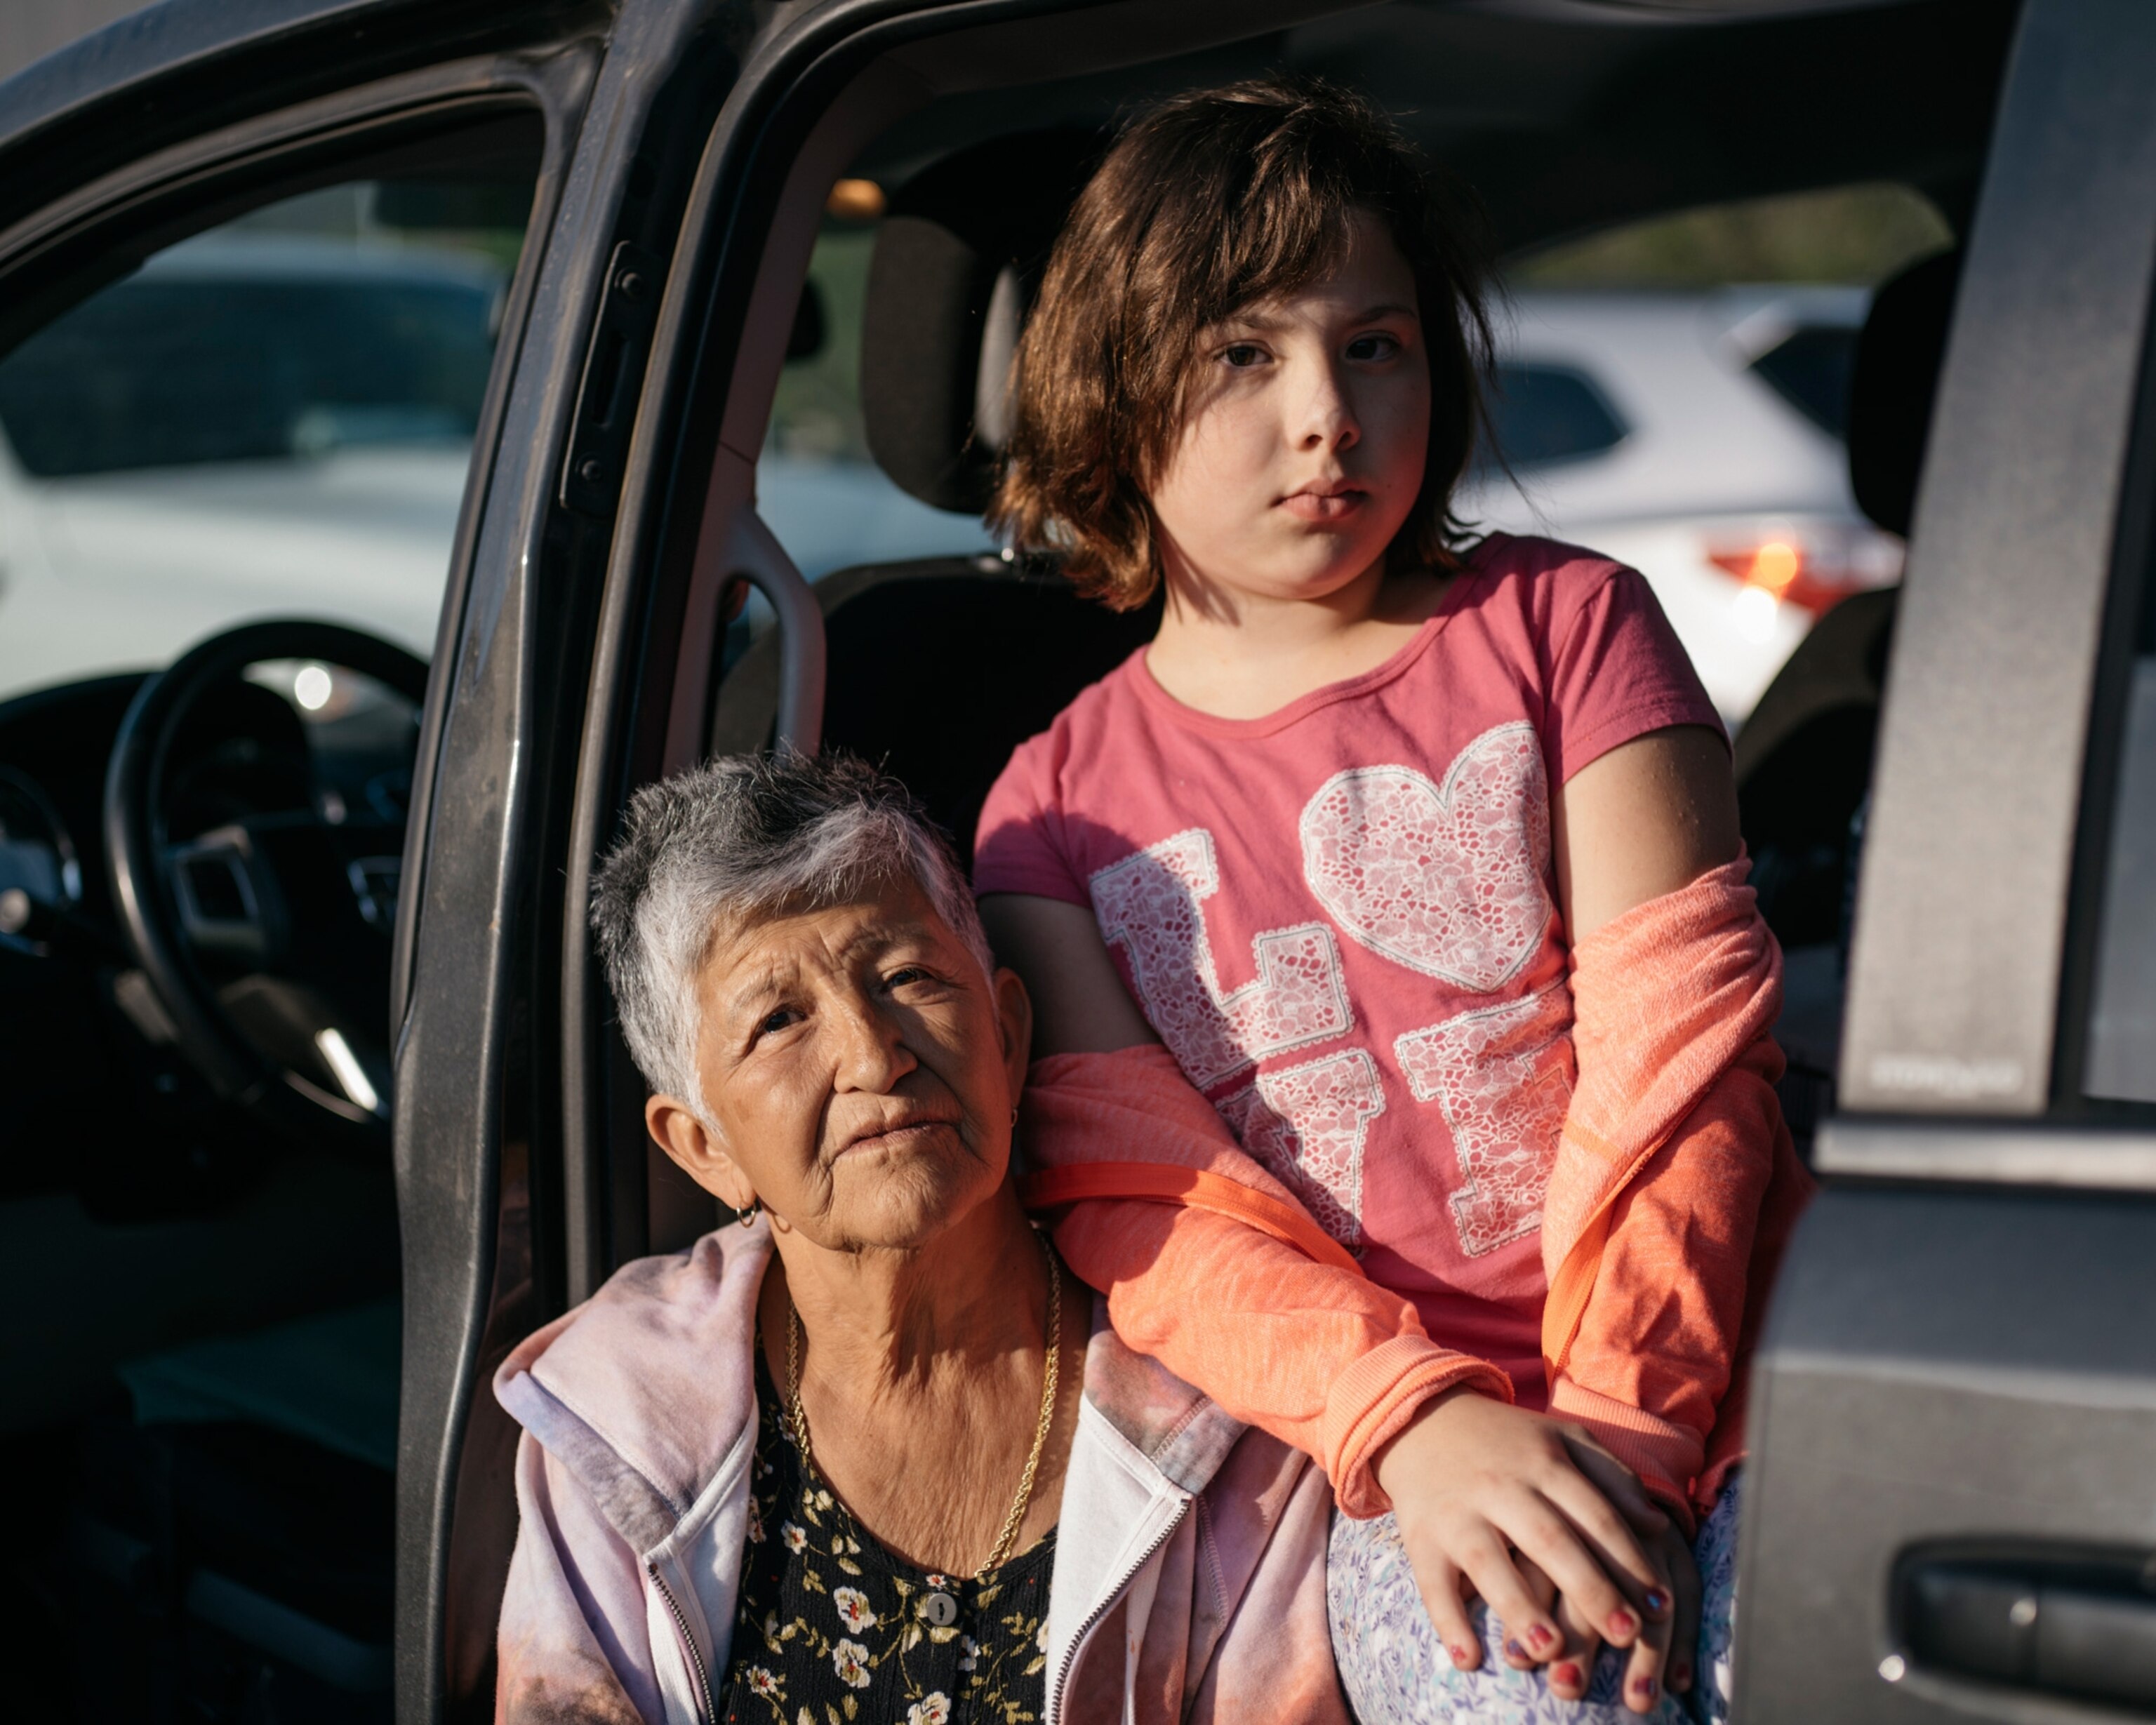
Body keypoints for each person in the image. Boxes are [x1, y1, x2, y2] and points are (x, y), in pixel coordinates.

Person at [973, 77, 1813, 1723]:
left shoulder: (1570, 627)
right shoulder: (1049, 814)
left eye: (1374, 343)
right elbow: (1150, 1210)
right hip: (1386, 1459)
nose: (1327, 415)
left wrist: (1626, 1440)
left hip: (1725, 1384)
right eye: (1242, 355)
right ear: (1110, 391)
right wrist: (1415, 1419)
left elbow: (1688, 1065)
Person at [492, 751, 1352, 1724]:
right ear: (705, 1148)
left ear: (1010, 1032)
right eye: (778, 1020)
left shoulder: (1217, 1411)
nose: (872, 1053)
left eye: (906, 974)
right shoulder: (615, 1419)